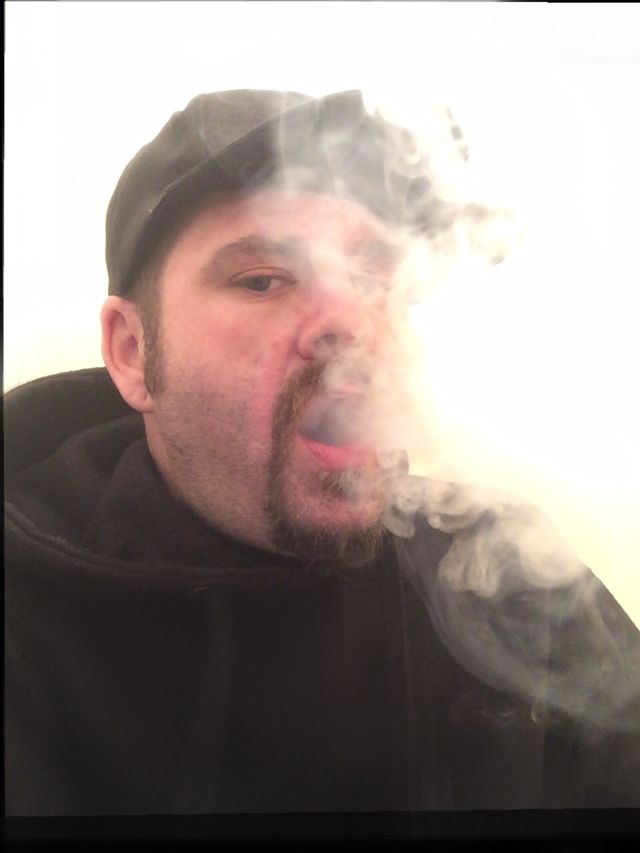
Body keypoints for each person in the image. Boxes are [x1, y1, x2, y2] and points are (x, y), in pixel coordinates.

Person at [5, 89, 640, 819]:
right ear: (131, 351)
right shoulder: (25, 624)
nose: (350, 322)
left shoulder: (507, 574)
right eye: (262, 280)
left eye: (371, 279)